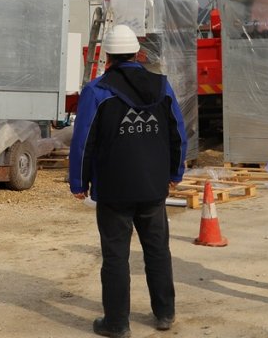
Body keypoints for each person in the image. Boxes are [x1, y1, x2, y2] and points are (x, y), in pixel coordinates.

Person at [69, 24, 187, 338]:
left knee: (116, 256)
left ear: (107, 56)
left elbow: (83, 141)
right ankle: (165, 314)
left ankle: (117, 323)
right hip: (153, 188)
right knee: (158, 251)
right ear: (137, 53)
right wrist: (175, 173)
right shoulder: (161, 86)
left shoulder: (97, 91)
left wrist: (79, 183)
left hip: (113, 190)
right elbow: (178, 132)